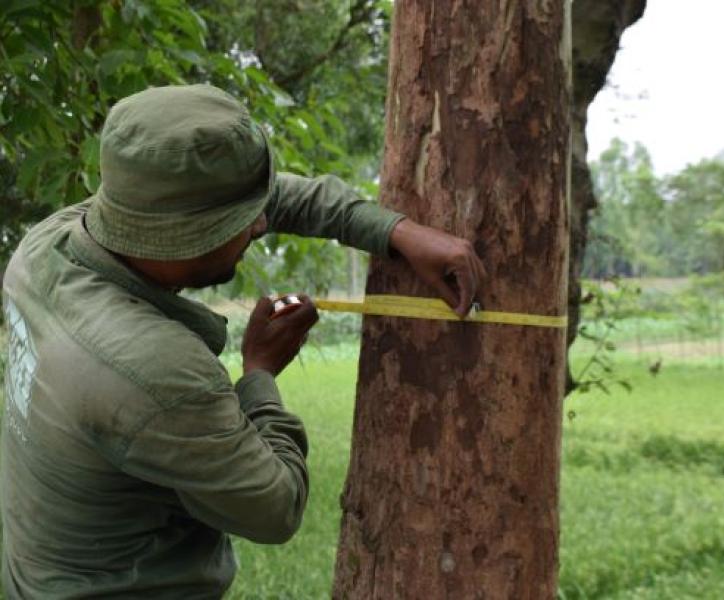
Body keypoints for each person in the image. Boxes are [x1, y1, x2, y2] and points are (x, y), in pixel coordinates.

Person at [1, 84, 485, 598]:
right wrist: (259, 374)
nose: (260, 225)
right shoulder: (148, 369)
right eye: (240, 221)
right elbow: (275, 508)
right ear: (182, 237)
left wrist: (393, 230)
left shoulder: (48, 245)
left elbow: (265, 200)